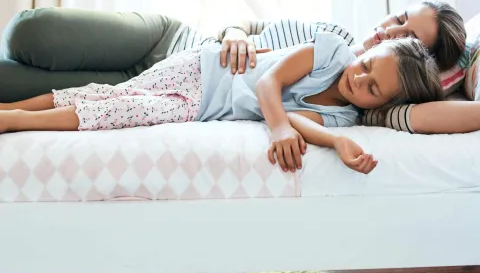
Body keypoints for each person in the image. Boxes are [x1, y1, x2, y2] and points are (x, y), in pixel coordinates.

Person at [0, 34, 442, 174]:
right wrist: (279, 130)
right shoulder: (331, 53)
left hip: (205, 108)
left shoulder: (344, 116)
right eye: (366, 65)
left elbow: (296, 118)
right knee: (126, 100)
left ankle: (10, 113)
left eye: (372, 88)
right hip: (205, 71)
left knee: (118, 100)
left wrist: (335, 143)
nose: (358, 78)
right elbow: (270, 83)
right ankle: (15, 115)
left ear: (382, 104)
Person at [219, 0, 475, 134]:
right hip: (203, 53)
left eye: (408, 38)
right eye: (400, 18)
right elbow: (247, 23)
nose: (391, 29)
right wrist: (235, 33)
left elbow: (420, 116)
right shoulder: (332, 35)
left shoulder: (353, 106)